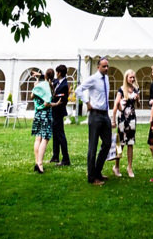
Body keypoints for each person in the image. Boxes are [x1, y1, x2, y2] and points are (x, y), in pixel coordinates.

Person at [75, 57, 114, 185]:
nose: (106, 68)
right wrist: (87, 102)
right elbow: (79, 89)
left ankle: (98, 171)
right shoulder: (93, 78)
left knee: (107, 143)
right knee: (93, 146)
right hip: (95, 115)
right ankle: (92, 178)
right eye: (104, 66)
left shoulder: (107, 79)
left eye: (107, 66)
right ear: (98, 67)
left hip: (105, 115)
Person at [112, 70, 139, 178]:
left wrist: (137, 99)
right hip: (122, 119)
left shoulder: (136, 89)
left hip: (132, 118)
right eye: (130, 77)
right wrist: (113, 120)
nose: (132, 79)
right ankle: (116, 166)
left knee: (130, 143)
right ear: (126, 78)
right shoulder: (121, 90)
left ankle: (129, 167)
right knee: (120, 143)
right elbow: (115, 106)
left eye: (133, 77)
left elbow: (138, 105)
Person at [29, 69, 53, 173]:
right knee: (45, 138)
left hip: (37, 114)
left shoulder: (37, 85)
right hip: (45, 114)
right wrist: (53, 105)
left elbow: (32, 96)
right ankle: (40, 164)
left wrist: (37, 80)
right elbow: (47, 102)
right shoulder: (48, 86)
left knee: (37, 138)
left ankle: (36, 162)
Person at [49, 64, 71, 166]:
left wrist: (53, 103)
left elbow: (63, 100)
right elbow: (48, 78)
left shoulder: (64, 85)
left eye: (56, 72)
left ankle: (66, 158)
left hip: (58, 112)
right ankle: (55, 156)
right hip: (54, 112)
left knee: (60, 135)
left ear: (59, 73)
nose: (55, 74)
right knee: (56, 134)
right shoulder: (57, 82)